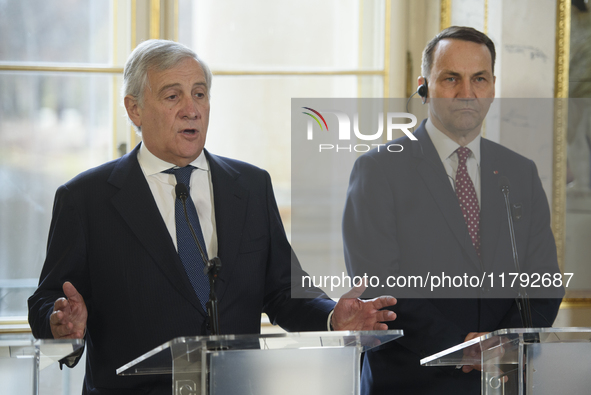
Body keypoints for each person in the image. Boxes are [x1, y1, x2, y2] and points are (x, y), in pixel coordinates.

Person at [28, 39, 397, 395]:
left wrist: (333, 318)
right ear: (134, 109)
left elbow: (282, 289)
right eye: (173, 96)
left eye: (200, 94)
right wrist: (61, 325)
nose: (192, 109)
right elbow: (48, 299)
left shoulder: (250, 186)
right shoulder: (86, 199)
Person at [342, 26, 563, 394]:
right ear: (424, 86)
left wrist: (504, 344)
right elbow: (377, 281)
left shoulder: (519, 172)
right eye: (451, 78)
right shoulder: (379, 169)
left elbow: (543, 278)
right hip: (410, 380)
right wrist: (463, 346)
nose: (466, 93)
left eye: (479, 78)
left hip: (500, 380)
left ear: (493, 87)